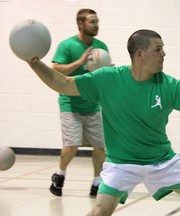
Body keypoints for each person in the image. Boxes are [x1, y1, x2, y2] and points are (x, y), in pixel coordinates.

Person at [27, 29, 180, 216]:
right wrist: (34, 63)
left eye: (163, 49)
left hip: (163, 161)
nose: (164, 55)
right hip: (121, 164)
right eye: (158, 49)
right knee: (100, 211)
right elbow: (63, 84)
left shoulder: (169, 86)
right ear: (140, 54)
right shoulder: (106, 79)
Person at [49, 8, 108, 197]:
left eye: (97, 21)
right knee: (72, 146)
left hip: (93, 105)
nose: (96, 24)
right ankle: (60, 175)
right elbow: (57, 70)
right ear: (81, 24)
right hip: (70, 105)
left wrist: (107, 71)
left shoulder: (101, 47)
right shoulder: (67, 46)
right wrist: (80, 61)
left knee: (100, 147)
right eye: (92, 21)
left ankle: (96, 183)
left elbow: (101, 76)